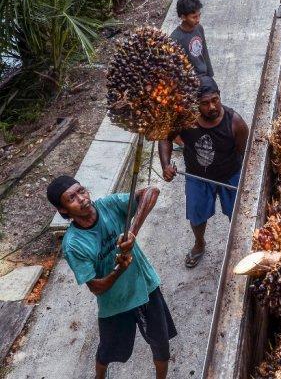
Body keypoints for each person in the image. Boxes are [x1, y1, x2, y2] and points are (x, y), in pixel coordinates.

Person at [46, 176, 176, 379]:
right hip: (115, 303)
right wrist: (118, 271)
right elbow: (95, 287)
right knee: (107, 351)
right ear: (63, 210)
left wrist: (132, 233)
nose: (82, 198)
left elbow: (151, 192)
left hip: (145, 285)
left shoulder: (108, 205)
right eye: (72, 198)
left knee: (161, 345)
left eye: (81, 190)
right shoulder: (73, 245)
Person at [159, 77, 249, 268]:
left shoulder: (235, 123)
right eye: (205, 103)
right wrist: (165, 164)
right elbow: (165, 138)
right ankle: (199, 244)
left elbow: (247, 155)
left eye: (215, 100)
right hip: (197, 178)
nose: (212, 107)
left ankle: (240, 247)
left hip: (230, 176)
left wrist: (244, 182)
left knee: (238, 215)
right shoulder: (185, 119)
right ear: (195, 104)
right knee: (196, 216)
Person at [170, 0, 214, 78]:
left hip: (204, 75)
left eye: (199, 16)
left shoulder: (199, 28)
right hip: (190, 80)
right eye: (194, 17)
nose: (198, 20)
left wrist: (210, 75)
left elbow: (204, 52)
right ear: (183, 17)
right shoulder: (174, 39)